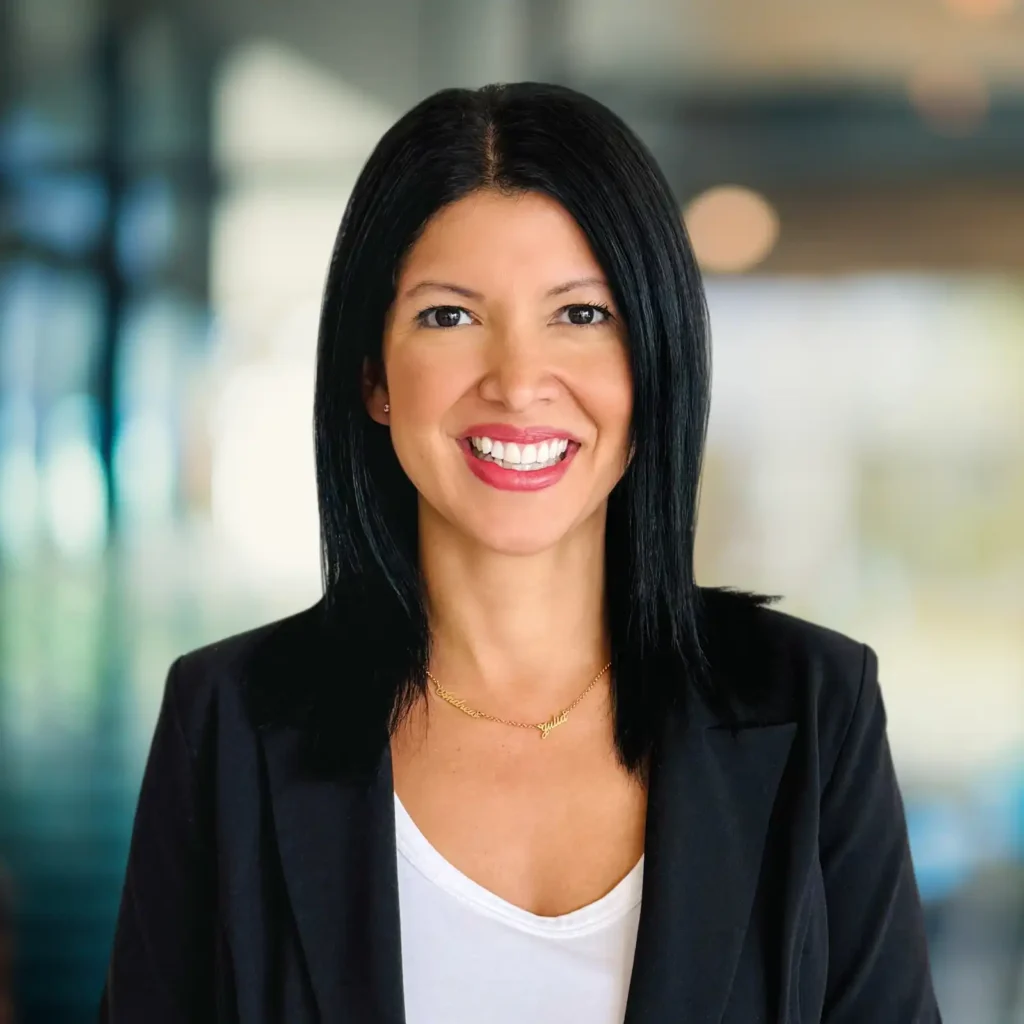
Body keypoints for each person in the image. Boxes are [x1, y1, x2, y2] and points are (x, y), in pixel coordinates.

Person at [99, 82, 941, 1023]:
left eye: (580, 315)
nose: (517, 383)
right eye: (449, 316)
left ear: (652, 359)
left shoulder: (815, 708)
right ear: (373, 375)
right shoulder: (229, 721)